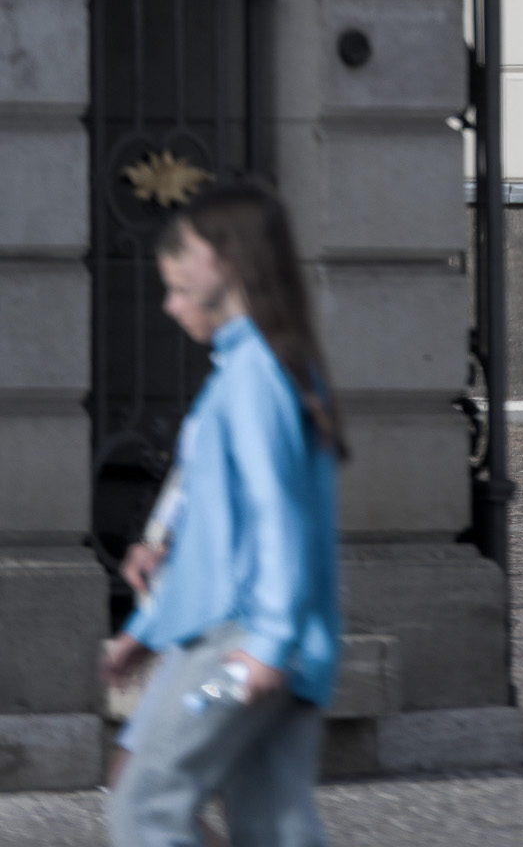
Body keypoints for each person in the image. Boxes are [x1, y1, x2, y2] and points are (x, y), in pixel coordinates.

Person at [103, 178, 343, 847]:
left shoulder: (254, 377)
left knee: (144, 805)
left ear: (229, 257)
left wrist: (264, 645)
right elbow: (211, 539)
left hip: (236, 655)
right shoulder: (257, 371)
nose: (182, 259)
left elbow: (278, 517)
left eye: (196, 245)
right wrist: (149, 625)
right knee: (274, 827)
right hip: (264, 646)